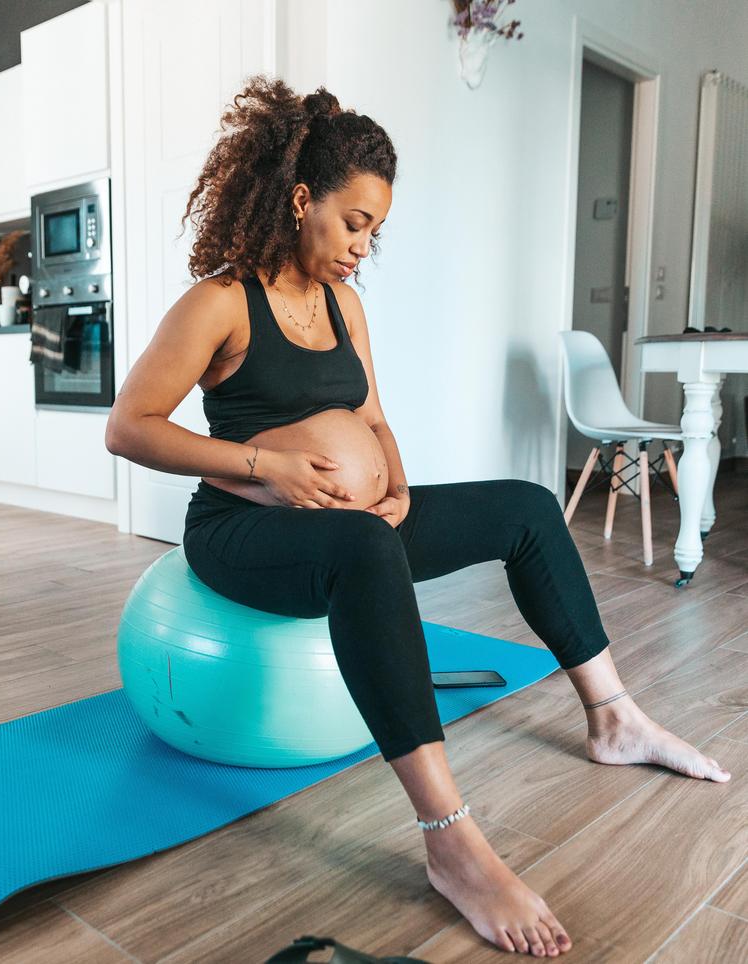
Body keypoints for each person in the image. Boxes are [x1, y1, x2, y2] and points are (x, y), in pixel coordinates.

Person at [105, 76, 731, 958]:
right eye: (354, 222)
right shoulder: (219, 302)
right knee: (361, 545)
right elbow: (129, 428)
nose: (365, 246)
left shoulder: (342, 304)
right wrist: (268, 465)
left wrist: (394, 483)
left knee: (525, 506)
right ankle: (452, 841)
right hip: (243, 532)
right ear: (299, 200)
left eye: (376, 231)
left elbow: (373, 414)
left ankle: (614, 716)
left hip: (351, 524)